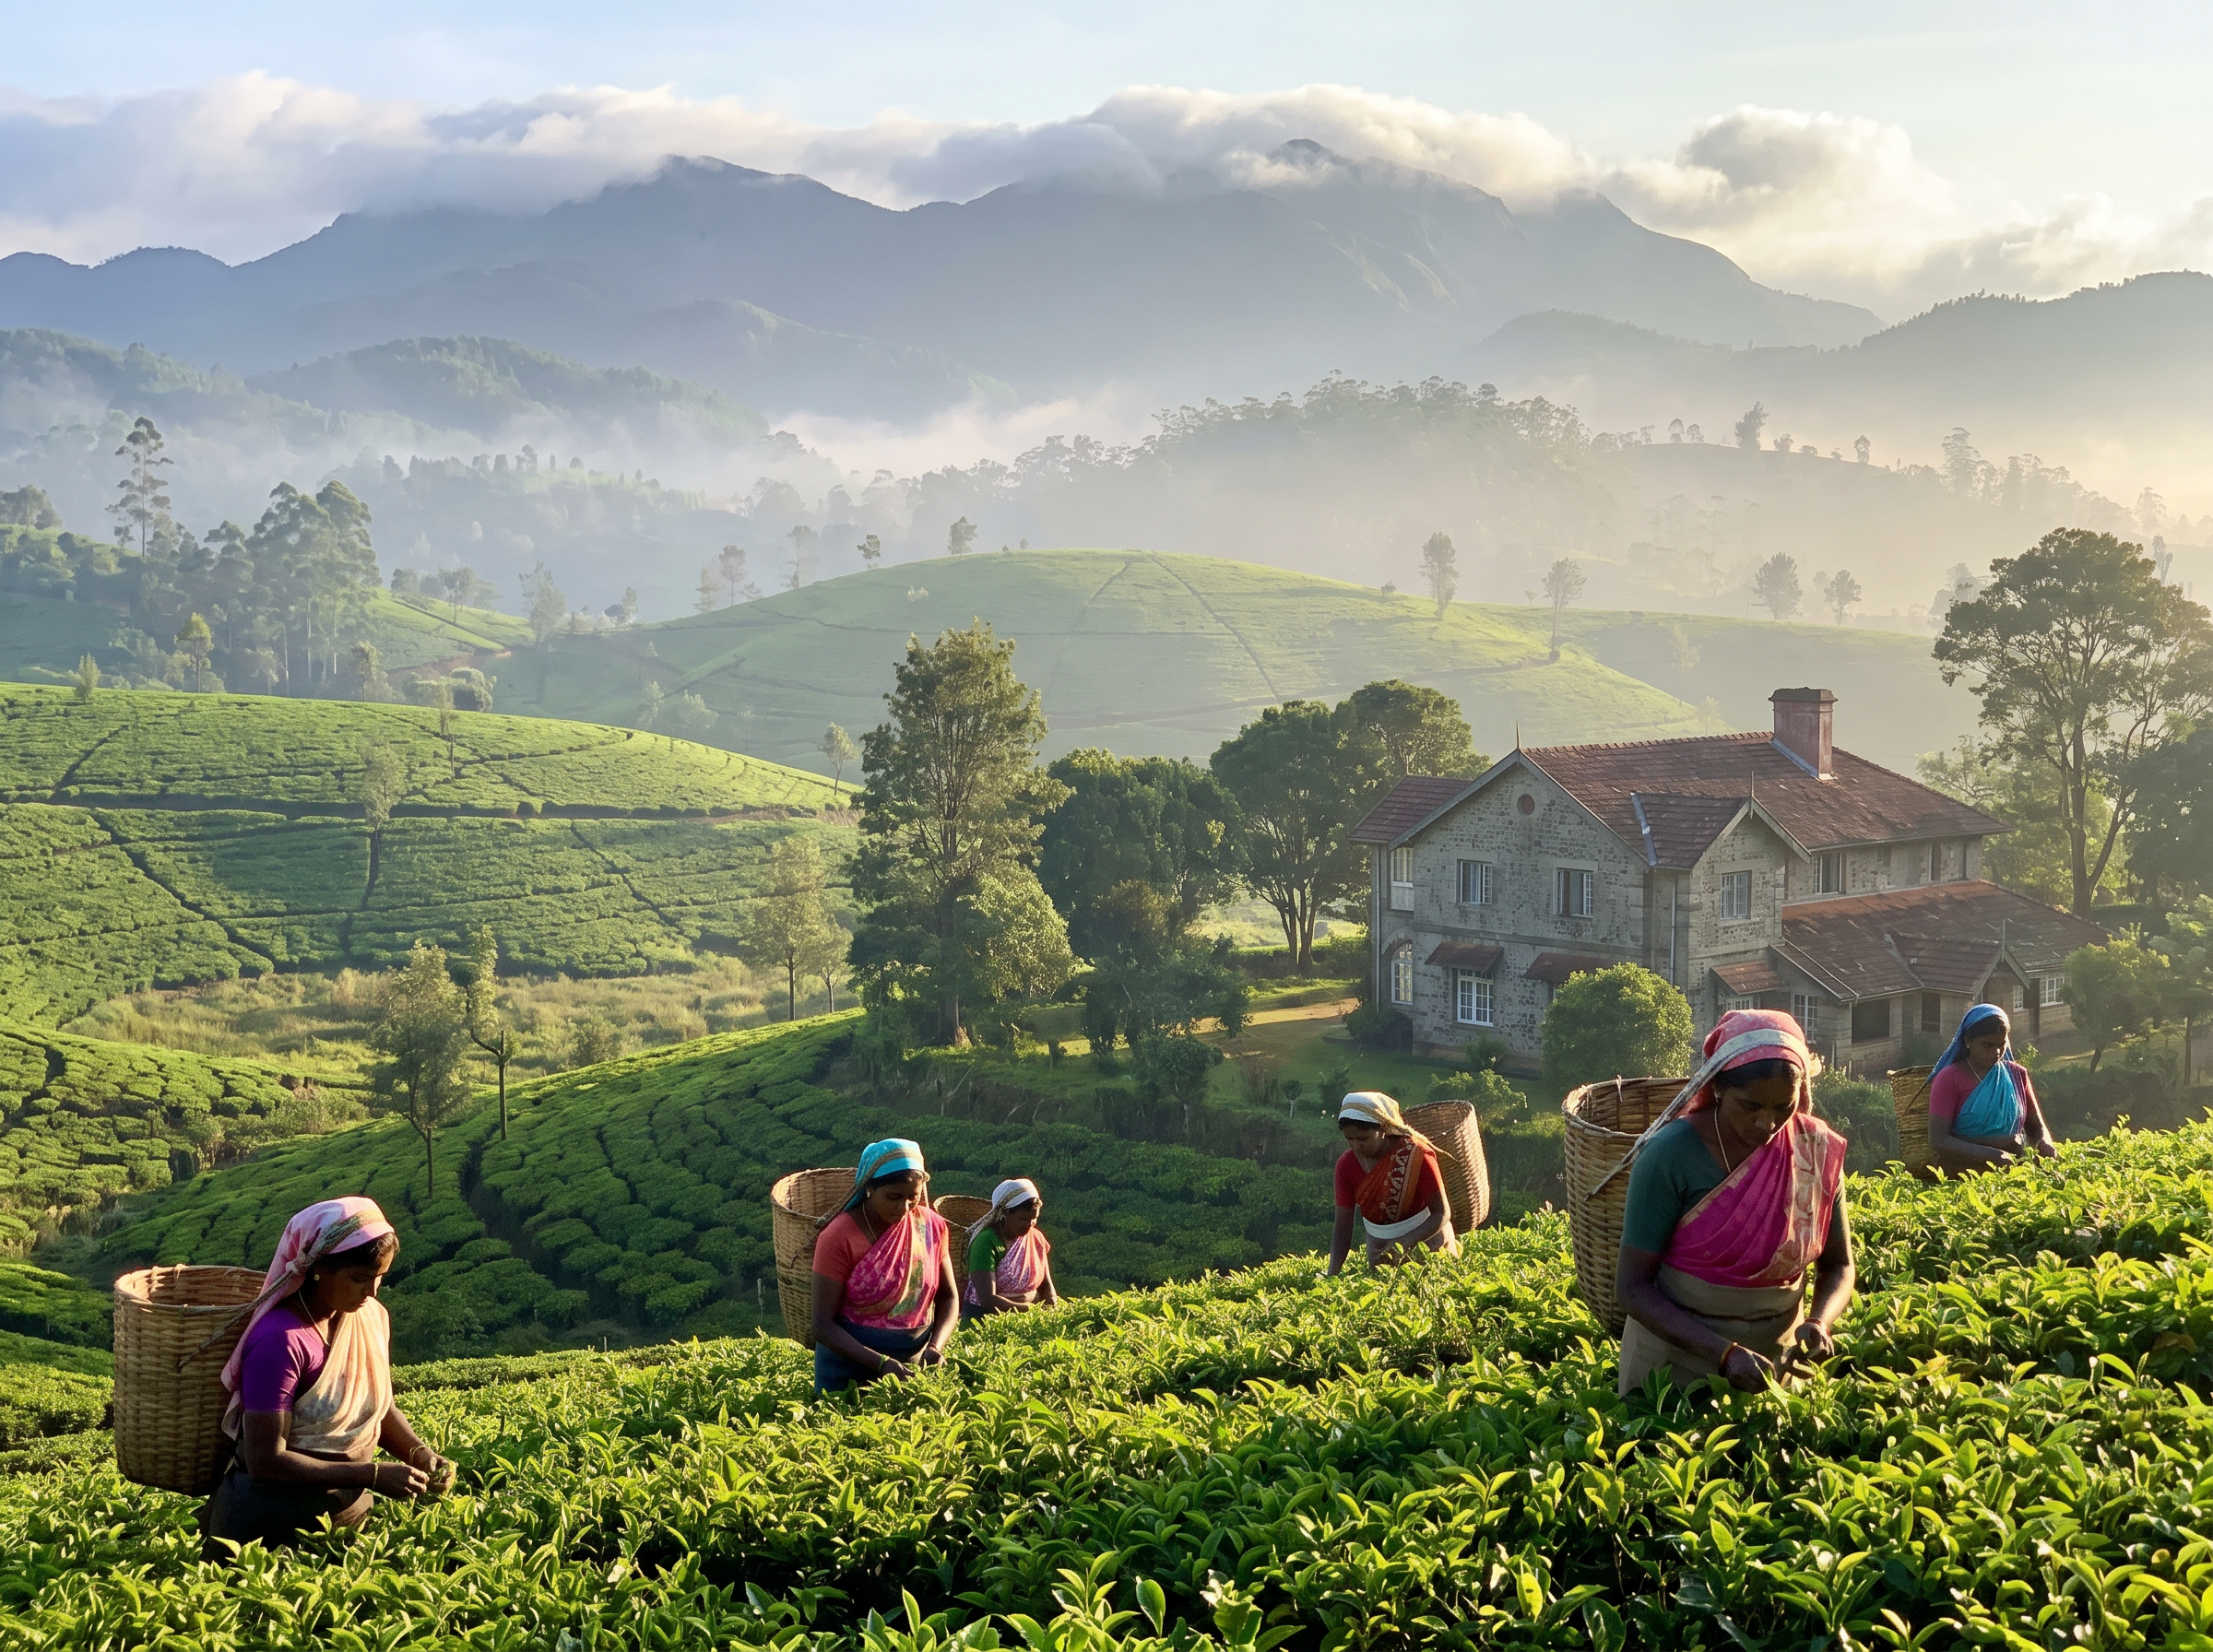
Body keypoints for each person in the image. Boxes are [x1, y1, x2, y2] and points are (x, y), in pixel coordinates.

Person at [1615, 1009, 1855, 1396]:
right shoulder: (1669, 1156)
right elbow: (1632, 1288)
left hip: (1775, 1367)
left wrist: (1819, 1323)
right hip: (1673, 1367)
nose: (1767, 1123)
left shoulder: (1813, 1152)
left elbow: (1839, 1265)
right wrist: (1724, 1354)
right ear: (1719, 1088)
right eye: (1750, 1106)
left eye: (1783, 1107)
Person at [201, 1197, 448, 1555]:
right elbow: (266, 1460)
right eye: (359, 1278)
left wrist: (419, 1452)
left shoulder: (371, 1318)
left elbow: (377, 1408)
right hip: (268, 1530)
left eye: (379, 1277)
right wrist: (371, 1475)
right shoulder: (280, 1339)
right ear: (319, 1269)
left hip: (345, 1521)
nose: (371, 1292)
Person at [811, 1138, 959, 1393]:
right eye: (893, 1197)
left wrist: (935, 1347)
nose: (903, 1207)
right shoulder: (838, 1236)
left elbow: (949, 1296)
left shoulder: (932, 1227)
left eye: (912, 1197)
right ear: (869, 1187)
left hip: (911, 1369)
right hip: (847, 1373)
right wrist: (880, 1363)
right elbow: (822, 1325)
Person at [1326, 1091, 1459, 1275]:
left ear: (1383, 1128)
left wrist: (1405, 1242)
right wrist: (1331, 1275)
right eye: (1350, 1139)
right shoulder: (1346, 1165)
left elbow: (1442, 1213)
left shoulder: (1416, 1156)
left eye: (1363, 1139)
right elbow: (1342, 1227)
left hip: (1429, 1245)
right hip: (1379, 1251)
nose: (1356, 1146)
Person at [1928, 1002, 2056, 1174]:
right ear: (1968, 1041)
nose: (1996, 1052)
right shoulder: (1949, 1078)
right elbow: (1938, 1140)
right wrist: (1992, 1155)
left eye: (2001, 1044)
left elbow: (2036, 1127)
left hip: (2014, 1166)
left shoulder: (2017, 1075)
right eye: (1987, 1045)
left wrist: (2045, 1143)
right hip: (1963, 1170)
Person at [963, 1178, 1059, 1317]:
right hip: (985, 1320)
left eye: (1034, 1218)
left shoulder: (1036, 1238)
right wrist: (1031, 1310)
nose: (1030, 1224)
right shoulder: (986, 1242)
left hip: (1028, 1321)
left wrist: (1051, 1302)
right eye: (1023, 1219)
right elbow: (987, 1299)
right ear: (1005, 1213)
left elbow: (1046, 1283)